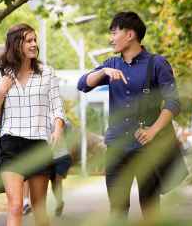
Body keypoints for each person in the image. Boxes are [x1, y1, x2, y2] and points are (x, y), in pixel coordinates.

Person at [77, 12, 181, 219]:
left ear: (130, 34)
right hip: (116, 147)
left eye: (114, 33)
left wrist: (153, 131)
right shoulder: (111, 64)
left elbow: (173, 103)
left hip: (147, 147)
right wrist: (103, 72)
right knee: (117, 209)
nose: (111, 38)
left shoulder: (157, 63)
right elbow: (82, 85)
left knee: (150, 208)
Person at [0, 23, 66, 226]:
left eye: (35, 40)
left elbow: (57, 108)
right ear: (16, 44)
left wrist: (57, 129)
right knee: (15, 206)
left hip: (39, 145)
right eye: (29, 40)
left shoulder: (47, 73)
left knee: (39, 210)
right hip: (10, 145)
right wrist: (2, 91)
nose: (34, 44)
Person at [49, 144, 72, 217]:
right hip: (49, 159)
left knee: (57, 180)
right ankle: (60, 201)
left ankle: (59, 204)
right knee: (53, 184)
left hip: (63, 157)